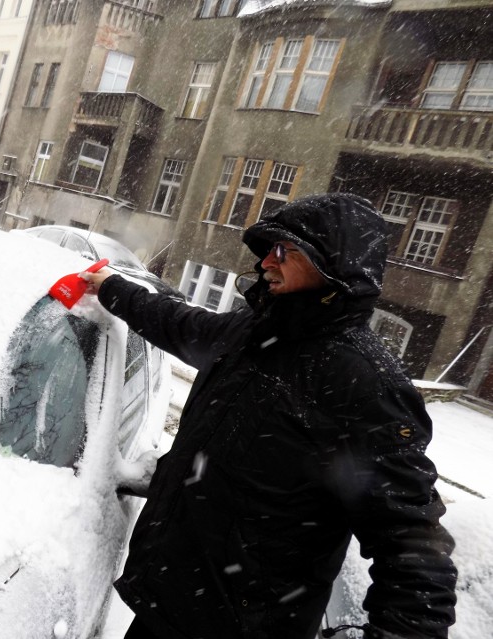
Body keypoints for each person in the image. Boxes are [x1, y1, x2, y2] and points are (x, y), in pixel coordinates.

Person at [81, 194, 457, 639]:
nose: (266, 264)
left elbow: (411, 541)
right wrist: (110, 287)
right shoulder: (251, 331)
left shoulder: (363, 383)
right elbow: (176, 321)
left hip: (243, 627)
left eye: (287, 251)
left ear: (335, 267)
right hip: (166, 605)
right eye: (268, 251)